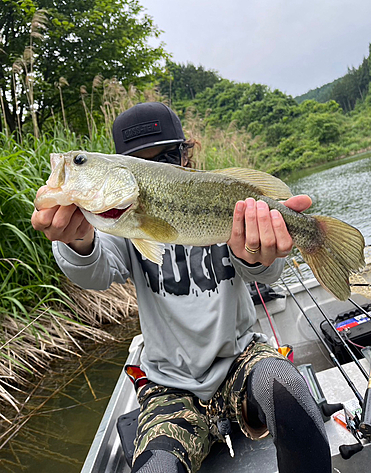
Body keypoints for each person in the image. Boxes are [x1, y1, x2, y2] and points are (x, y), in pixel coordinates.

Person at [31, 102, 331, 473]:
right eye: (143, 162)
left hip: (241, 359)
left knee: (290, 391)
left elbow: (265, 276)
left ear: (185, 155)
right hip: (168, 387)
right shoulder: (118, 224)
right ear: (124, 168)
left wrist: (259, 255)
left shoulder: (222, 197)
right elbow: (96, 272)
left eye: (168, 157)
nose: (158, 168)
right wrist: (76, 241)